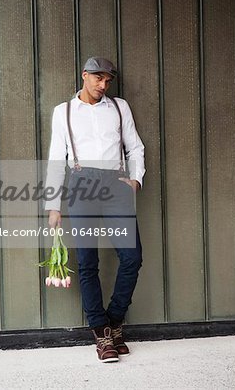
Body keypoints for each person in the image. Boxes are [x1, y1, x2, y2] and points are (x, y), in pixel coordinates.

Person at [45, 57, 146, 363]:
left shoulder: (119, 107)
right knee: (87, 262)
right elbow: (55, 159)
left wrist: (135, 181)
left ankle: (114, 320)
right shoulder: (63, 112)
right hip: (81, 185)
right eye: (98, 79)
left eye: (107, 81)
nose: (103, 86)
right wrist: (53, 205)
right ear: (85, 75)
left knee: (132, 257)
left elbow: (135, 147)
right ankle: (101, 333)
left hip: (116, 184)